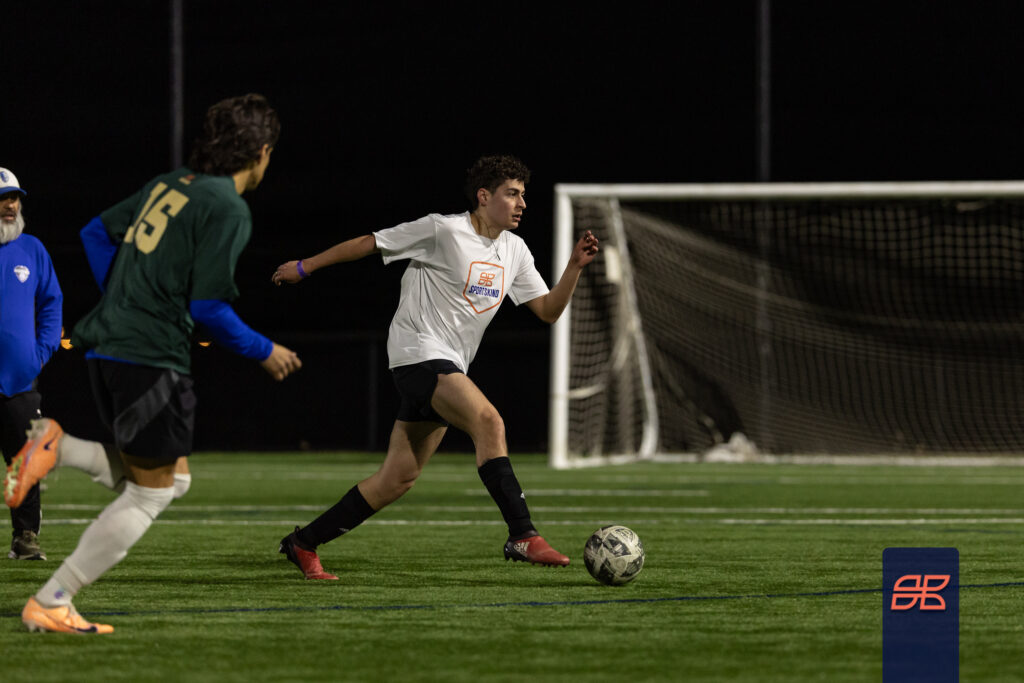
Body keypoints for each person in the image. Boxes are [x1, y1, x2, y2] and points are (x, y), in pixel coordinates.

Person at [3, 94, 302, 634]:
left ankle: (57, 446)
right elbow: (207, 307)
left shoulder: (173, 182)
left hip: (109, 345)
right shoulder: (228, 206)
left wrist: (124, 297)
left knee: (174, 478)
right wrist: (266, 350)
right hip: (148, 354)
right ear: (261, 151)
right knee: (151, 494)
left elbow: (95, 232)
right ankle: (53, 599)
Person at [271, 154, 599, 580]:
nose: (522, 204)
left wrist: (573, 268)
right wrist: (305, 266)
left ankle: (303, 543)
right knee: (489, 422)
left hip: (446, 365)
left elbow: (548, 311)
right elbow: (370, 242)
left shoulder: (514, 250)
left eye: (523, 195)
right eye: (512, 194)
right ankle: (522, 533)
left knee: (397, 479)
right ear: (484, 196)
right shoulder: (443, 230)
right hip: (417, 353)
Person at [0, 168, 63, 561]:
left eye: (14, 197)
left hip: (19, 380)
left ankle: (25, 537)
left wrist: (40, 352)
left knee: (23, 462)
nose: (11, 205)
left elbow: (51, 303)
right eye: (2, 198)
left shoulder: (33, 249)